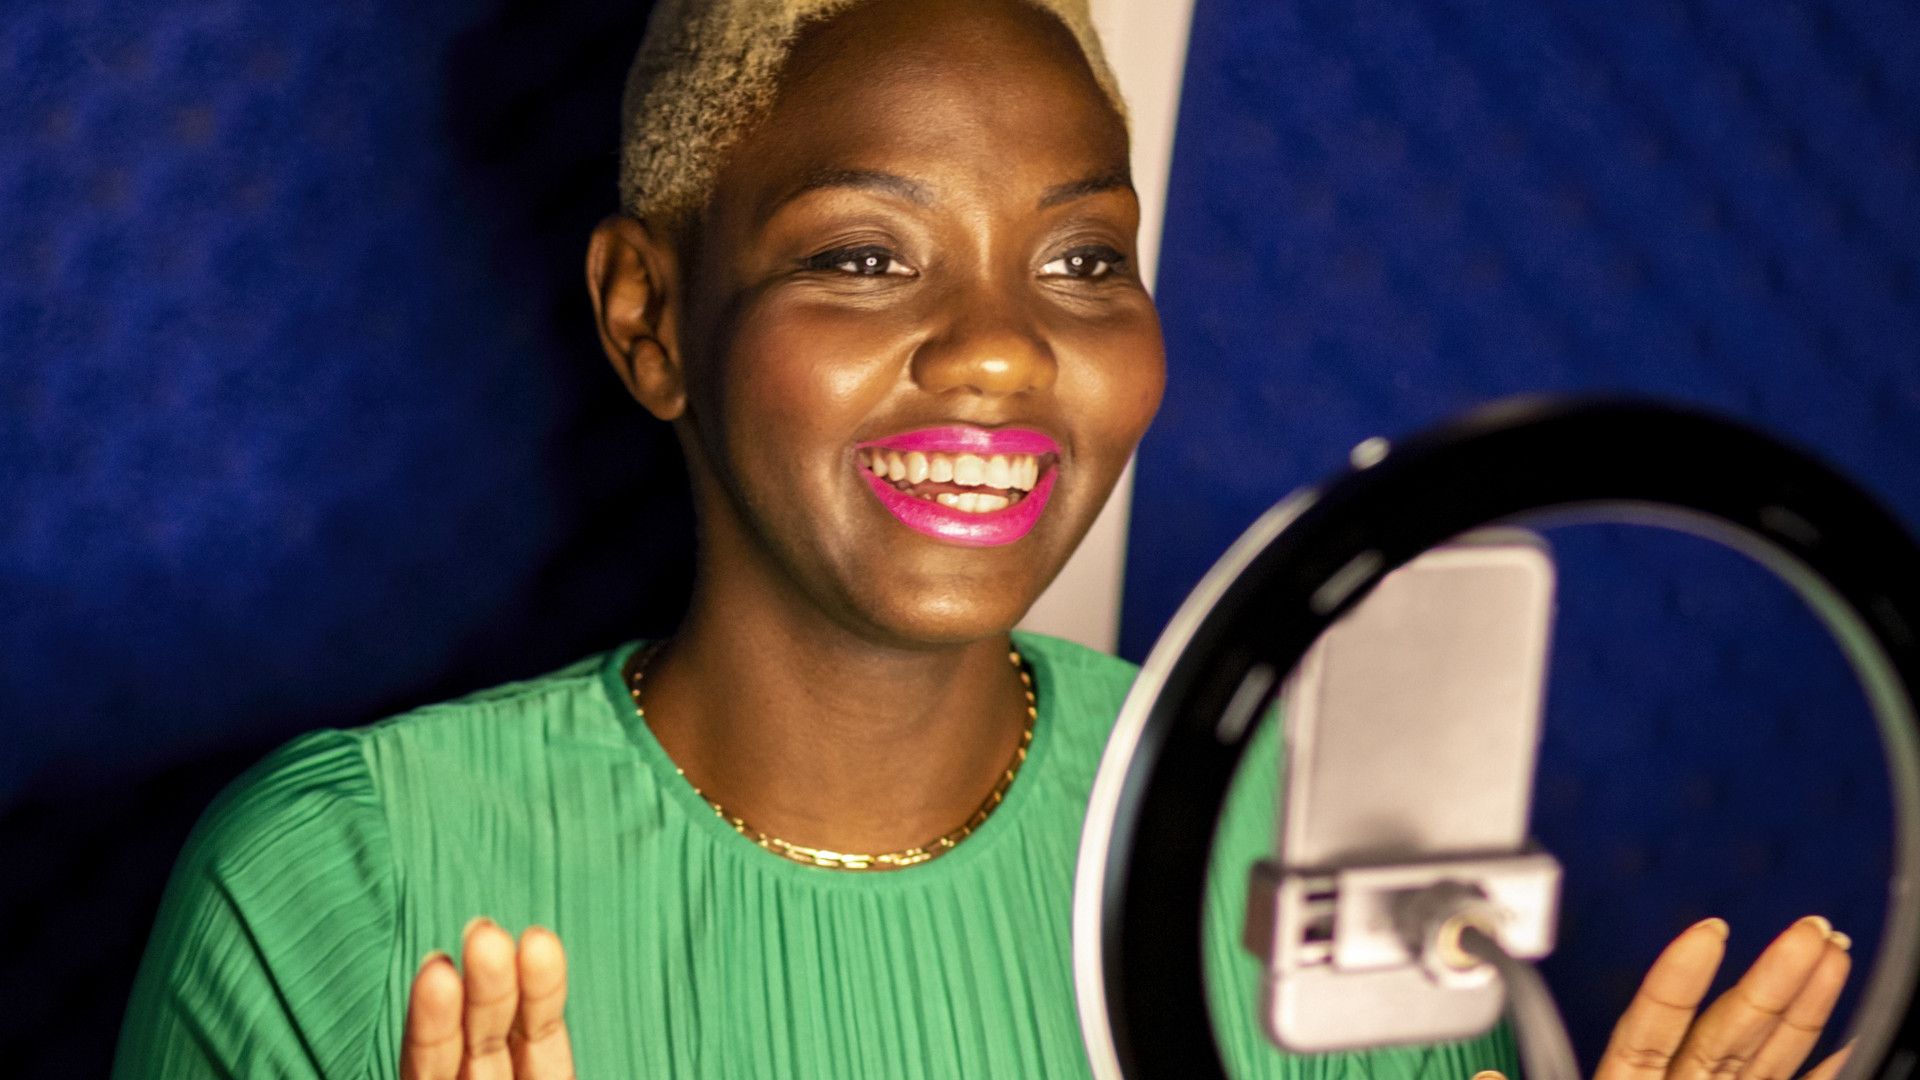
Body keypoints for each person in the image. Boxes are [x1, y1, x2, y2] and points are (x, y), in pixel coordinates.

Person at [114, 1, 1857, 1077]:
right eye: (867, 255)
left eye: (1085, 260)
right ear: (651, 321)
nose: (1008, 346)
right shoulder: (343, 886)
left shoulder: (1290, 856)